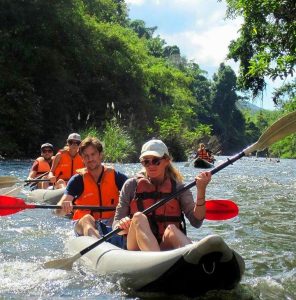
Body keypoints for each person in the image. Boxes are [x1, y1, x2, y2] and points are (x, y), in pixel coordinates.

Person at [113, 139, 211, 251]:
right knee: (138, 217)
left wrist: (201, 189)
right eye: (146, 162)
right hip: (136, 247)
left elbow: (196, 221)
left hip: (164, 246)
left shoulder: (178, 188)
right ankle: (156, 260)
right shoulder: (130, 186)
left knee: (172, 229)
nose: (151, 165)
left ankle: (195, 258)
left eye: (156, 161)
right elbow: (116, 225)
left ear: (166, 161)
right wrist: (122, 225)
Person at [55, 136, 128, 247]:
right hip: (84, 224)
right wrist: (63, 207)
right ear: (82, 159)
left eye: (93, 154)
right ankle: (100, 248)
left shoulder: (116, 177)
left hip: (112, 221)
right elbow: (58, 211)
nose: (90, 159)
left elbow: (134, 195)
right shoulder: (77, 180)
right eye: (86, 156)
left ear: (100, 155)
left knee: (120, 218)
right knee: (87, 219)